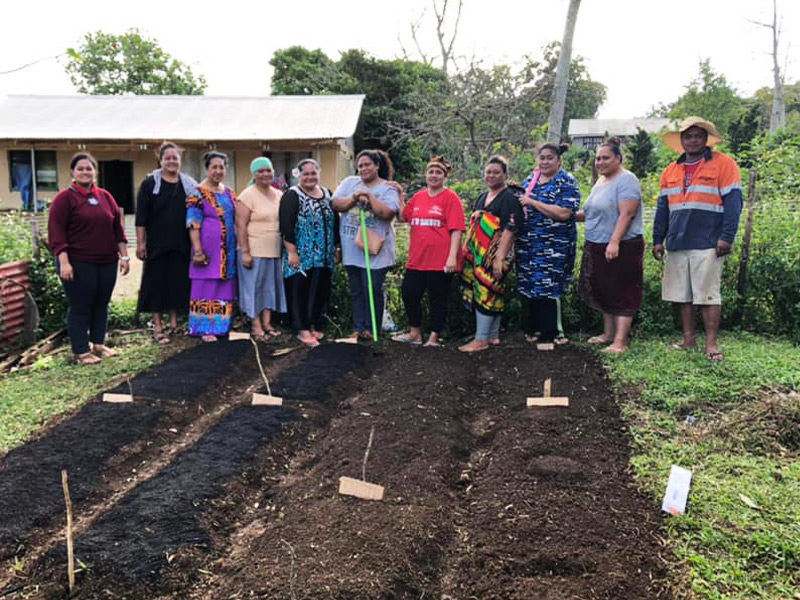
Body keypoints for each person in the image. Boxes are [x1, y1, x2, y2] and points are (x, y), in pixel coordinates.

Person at [653, 116, 742, 362]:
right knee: (683, 294)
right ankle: (688, 339)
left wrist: (726, 237)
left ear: (706, 139)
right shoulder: (671, 170)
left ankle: (711, 344)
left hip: (709, 241)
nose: (692, 140)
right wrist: (658, 239)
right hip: (678, 241)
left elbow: (733, 204)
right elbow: (663, 209)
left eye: (697, 136)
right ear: (681, 140)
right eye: (688, 136)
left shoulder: (725, 164)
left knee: (708, 294)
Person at [48, 152, 130, 364]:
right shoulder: (64, 199)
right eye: (80, 168)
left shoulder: (105, 196)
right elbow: (57, 234)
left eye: (89, 168)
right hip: (77, 262)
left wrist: (125, 257)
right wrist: (64, 263)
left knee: (101, 303)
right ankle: (80, 351)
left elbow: (117, 230)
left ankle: (98, 344)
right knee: (80, 305)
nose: (85, 172)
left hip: (106, 261)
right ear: (72, 173)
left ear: (95, 171)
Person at [577, 137, 644, 354]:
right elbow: (589, 212)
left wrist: (614, 241)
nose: (600, 162)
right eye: (597, 158)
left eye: (605, 158)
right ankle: (607, 334)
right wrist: (565, 215)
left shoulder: (626, 180)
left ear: (618, 158)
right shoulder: (601, 181)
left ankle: (620, 341)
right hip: (597, 243)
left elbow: (628, 213)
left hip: (622, 245)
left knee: (623, 290)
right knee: (604, 289)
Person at [392, 156, 465, 347]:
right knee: (409, 293)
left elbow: (456, 229)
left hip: (440, 260)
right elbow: (402, 217)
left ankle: (433, 337)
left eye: (438, 172)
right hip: (418, 258)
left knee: (438, 298)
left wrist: (451, 257)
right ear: (426, 175)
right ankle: (415, 333)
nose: (434, 175)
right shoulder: (418, 197)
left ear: (444, 176)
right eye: (431, 172)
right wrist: (400, 195)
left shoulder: (450, 198)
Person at [332, 149, 400, 340]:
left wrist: (369, 198)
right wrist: (354, 198)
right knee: (357, 290)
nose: (363, 168)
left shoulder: (388, 188)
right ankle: (358, 327)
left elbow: (387, 213)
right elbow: (336, 204)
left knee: (372, 287)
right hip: (351, 248)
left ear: (377, 165)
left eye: (368, 164)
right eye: (360, 166)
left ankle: (372, 328)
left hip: (376, 250)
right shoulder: (349, 183)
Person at [516, 143, 581, 344]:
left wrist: (533, 203)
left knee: (548, 286)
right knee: (530, 285)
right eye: (542, 157)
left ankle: (551, 334)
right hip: (528, 245)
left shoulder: (566, 181)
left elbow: (564, 213)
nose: (545, 161)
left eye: (549, 158)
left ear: (559, 160)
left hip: (554, 246)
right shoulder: (531, 180)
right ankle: (534, 329)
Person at [459, 155, 524, 353]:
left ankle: (480, 340)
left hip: (497, 254)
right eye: (488, 172)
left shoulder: (510, 199)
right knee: (494, 291)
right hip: (480, 254)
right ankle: (493, 335)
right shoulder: (482, 197)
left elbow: (510, 229)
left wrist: (499, 257)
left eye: (496, 172)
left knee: (486, 291)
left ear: (505, 175)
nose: (491, 176)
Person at [135, 142, 197, 344]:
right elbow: (141, 217)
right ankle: (158, 325)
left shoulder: (188, 185)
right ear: (160, 160)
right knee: (156, 283)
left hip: (180, 243)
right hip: (157, 243)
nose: (171, 161)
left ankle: (174, 324)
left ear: (180, 160)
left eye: (175, 157)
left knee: (177, 282)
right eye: (167, 157)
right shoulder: (150, 184)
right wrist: (141, 243)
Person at [279, 158, 339, 347]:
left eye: (313, 173)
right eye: (306, 174)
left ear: (318, 174)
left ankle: (315, 324)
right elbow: (286, 226)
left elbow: (334, 222)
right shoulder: (292, 195)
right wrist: (292, 252)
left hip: (324, 254)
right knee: (300, 291)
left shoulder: (328, 194)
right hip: (301, 254)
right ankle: (302, 329)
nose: (310, 177)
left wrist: (336, 247)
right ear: (299, 175)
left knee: (320, 290)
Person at [186, 151, 237, 342]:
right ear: (207, 169)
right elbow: (193, 223)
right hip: (207, 250)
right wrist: (198, 250)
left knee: (224, 287)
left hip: (228, 250)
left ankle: (221, 327)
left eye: (221, 167)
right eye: (214, 167)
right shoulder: (197, 193)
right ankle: (204, 329)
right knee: (206, 287)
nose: (218, 171)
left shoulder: (229, 192)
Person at [236, 157, 287, 340]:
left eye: (268, 170)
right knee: (253, 288)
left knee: (269, 288)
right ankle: (255, 324)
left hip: (273, 250)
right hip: (253, 249)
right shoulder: (247, 195)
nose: (265, 174)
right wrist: (246, 252)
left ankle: (267, 323)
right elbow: (240, 225)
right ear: (254, 174)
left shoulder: (279, 194)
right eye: (260, 171)